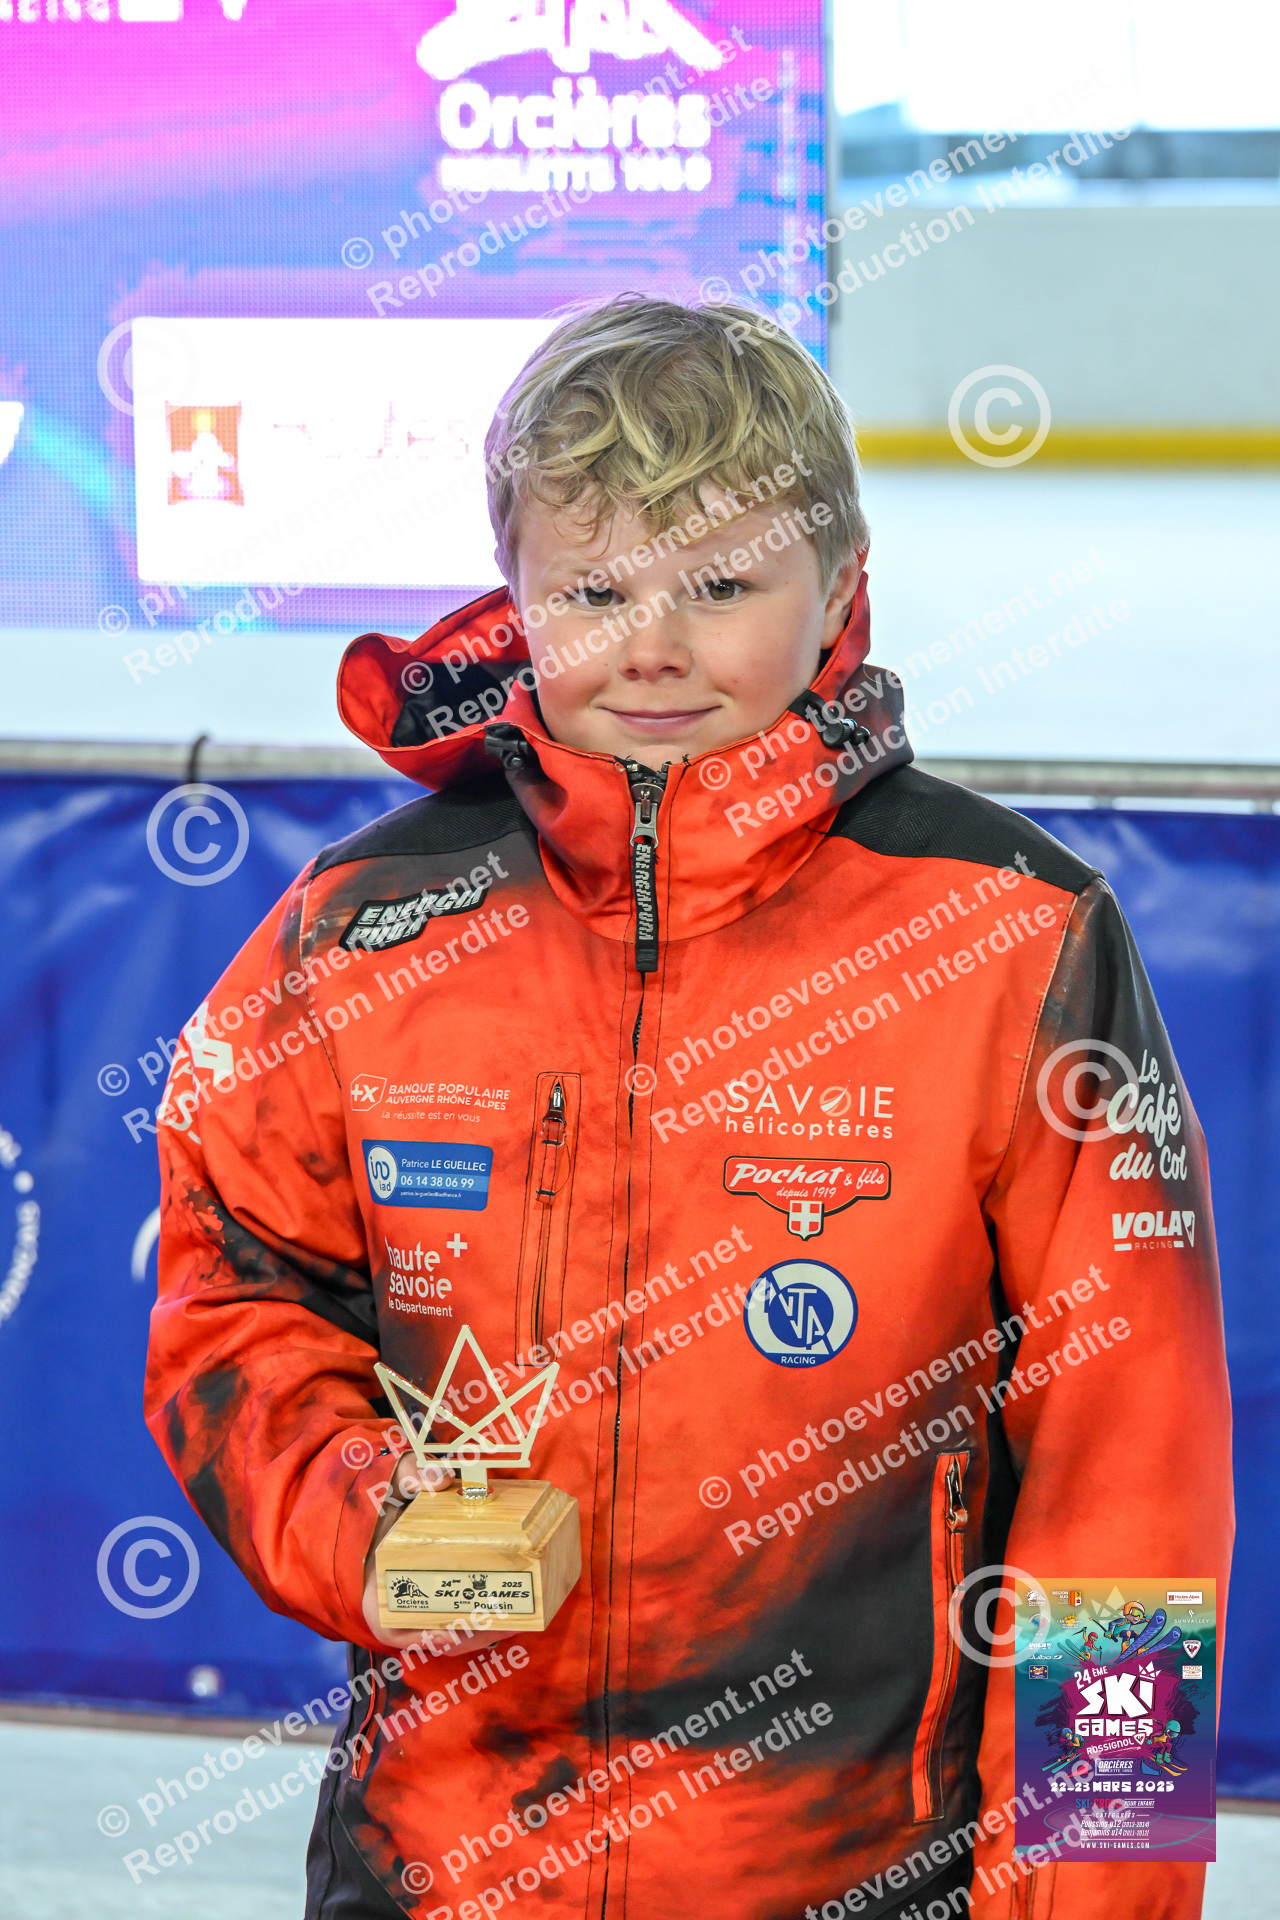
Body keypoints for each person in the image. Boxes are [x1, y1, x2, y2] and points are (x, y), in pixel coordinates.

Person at [146, 295, 1232, 1920]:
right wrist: (367, 1521)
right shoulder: (357, 931)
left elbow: (1131, 1490)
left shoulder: (1016, 935)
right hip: (436, 1872)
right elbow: (235, 1297)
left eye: (721, 586)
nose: (650, 646)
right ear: (514, 594)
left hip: (865, 1873)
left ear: (841, 590)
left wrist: (1095, 1900)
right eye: (593, 593)